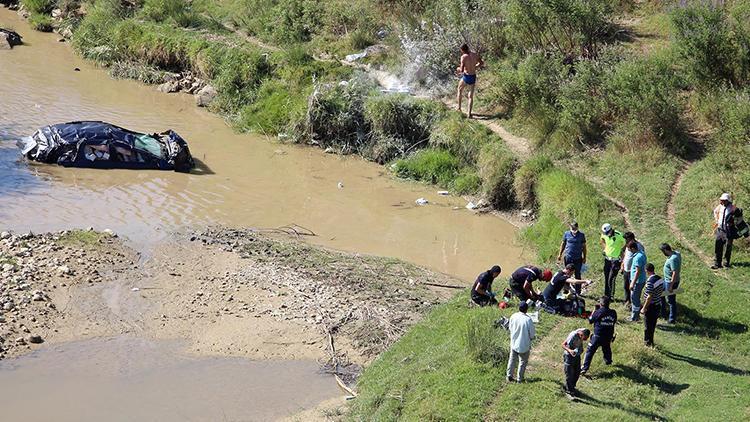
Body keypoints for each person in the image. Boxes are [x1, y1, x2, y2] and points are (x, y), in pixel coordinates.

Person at [581, 296, 617, 376]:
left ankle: (584, 368)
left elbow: (590, 320)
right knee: (606, 348)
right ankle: (608, 363)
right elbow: (614, 321)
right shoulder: (613, 312)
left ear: (600, 304)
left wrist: (594, 310)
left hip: (598, 336)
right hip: (608, 336)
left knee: (589, 351)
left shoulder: (598, 312)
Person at [507, 301, 536, 383]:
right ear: (527, 310)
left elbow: (510, 328)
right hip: (524, 344)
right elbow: (532, 334)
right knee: (522, 362)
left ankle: (509, 375)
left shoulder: (513, 316)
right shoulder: (528, 320)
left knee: (512, 360)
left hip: (514, 343)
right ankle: (519, 379)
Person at [557, 221, 587, 294]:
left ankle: (578, 292)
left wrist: (584, 257)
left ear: (577, 227)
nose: (574, 230)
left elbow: (584, 247)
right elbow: (563, 244)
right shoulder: (566, 234)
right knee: (567, 274)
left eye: (575, 228)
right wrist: (560, 254)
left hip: (578, 258)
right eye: (572, 228)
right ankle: (566, 291)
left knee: (577, 274)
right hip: (568, 258)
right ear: (570, 228)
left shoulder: (581, 235)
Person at [455, 43, 483, 118]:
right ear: (468, 48)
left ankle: (459, 108)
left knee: (459, 90)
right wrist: (475, 67)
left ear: (462, 50)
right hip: (473, 76)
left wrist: (457, 69)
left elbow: (461, 70)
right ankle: (469, 114)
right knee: (470, 96)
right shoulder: (474, 54)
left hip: (466, 76)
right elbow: (481, 63)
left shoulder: (463, 57)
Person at [561, 328, 590, 398]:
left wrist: (580, 350)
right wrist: (570, 350)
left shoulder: (582, 333)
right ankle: (569, 391)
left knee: (577, 372)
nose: (584, 340)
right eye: (584, 338)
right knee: (569, 373)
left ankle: (572, 388)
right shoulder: (573, 335)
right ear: (581, 335)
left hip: (577, 356)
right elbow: (563, 345)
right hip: (569, 356)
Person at [600, 224, 626, 299]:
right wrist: (605, 248)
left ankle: (611, 296)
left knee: (611, 278)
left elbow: (625, 243)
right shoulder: (604, 234)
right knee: (606, 276)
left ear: (611, 229)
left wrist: (622, 250)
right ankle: (606, 295)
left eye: (608, 232)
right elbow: (602, 239)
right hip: (607, 259)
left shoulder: (619, 235)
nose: (607, 234)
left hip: (615, 260)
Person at [640, 263, 664, 347]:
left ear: (647, 271)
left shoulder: (650, 282)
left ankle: (647, 343)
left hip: (651, 306)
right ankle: (651, 341)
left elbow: (649, 297)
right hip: (657, 305)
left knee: (647, 326)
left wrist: (644, 308)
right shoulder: (660, 279)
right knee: (653, 325)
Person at [713, 193, 737, 269]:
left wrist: (733, 223)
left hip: (729, 231)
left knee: (728, 248)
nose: (722, 201)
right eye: (722, 200)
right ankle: (717, 264)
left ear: (728, 200)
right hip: (720, 230)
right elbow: (715, 211)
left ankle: (726, 264)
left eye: (724, 200)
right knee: (718, 246)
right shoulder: (720, 207)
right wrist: (717, 220)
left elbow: (738, 217)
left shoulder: (733, 208)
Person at [620, 232, 645, 307]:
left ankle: (634, 303)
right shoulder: (628, 245)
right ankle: (627, 300)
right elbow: (625, 255)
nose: (625, 240)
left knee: (632, 287)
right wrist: (622, 265)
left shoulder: (638, 246)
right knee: (625, 286)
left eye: (626, 239)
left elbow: (640, 258)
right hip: (626, 269)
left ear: (631, 238)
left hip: (632, 270)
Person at [659, 243, 681, 324]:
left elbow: (674, 272)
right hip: (667, 280)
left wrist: (671, 286)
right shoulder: (676, 253)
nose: (662, 253)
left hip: (670, 282)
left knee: (671, 300)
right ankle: (663, 313)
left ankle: (672, 319)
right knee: (661, 294)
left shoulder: (672, 259)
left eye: (662, 251)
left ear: (665, 250)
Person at [628, 241, 647, 322]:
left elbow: (637, 271)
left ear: (633, 248)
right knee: (636, 297)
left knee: (635, 298)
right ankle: (636, 315)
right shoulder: (641, 253)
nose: (629, 251)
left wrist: (632, 283)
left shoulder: (637, 257)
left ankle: (634, 317)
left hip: (637, 281)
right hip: (641, 280)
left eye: (629, 249)